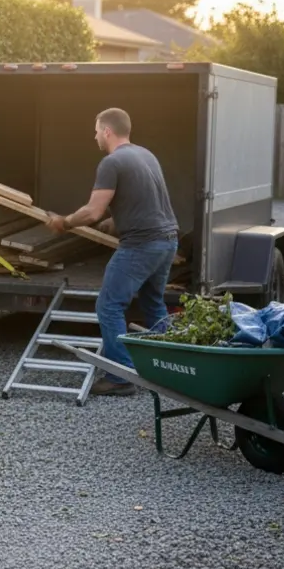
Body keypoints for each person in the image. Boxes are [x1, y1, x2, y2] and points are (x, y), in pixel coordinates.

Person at [45, 107, 179, 397]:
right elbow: (147, 203)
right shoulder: (146, 155)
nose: (94, 136)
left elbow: (92, 211)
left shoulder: (112, 162)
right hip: (167, 241)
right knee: (153, 303)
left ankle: (119, 377)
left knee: (108, 305)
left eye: (96, 131)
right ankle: (169, 368)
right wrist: (115, 221)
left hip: (142, 245)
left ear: (107, 131)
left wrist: (63, 223)